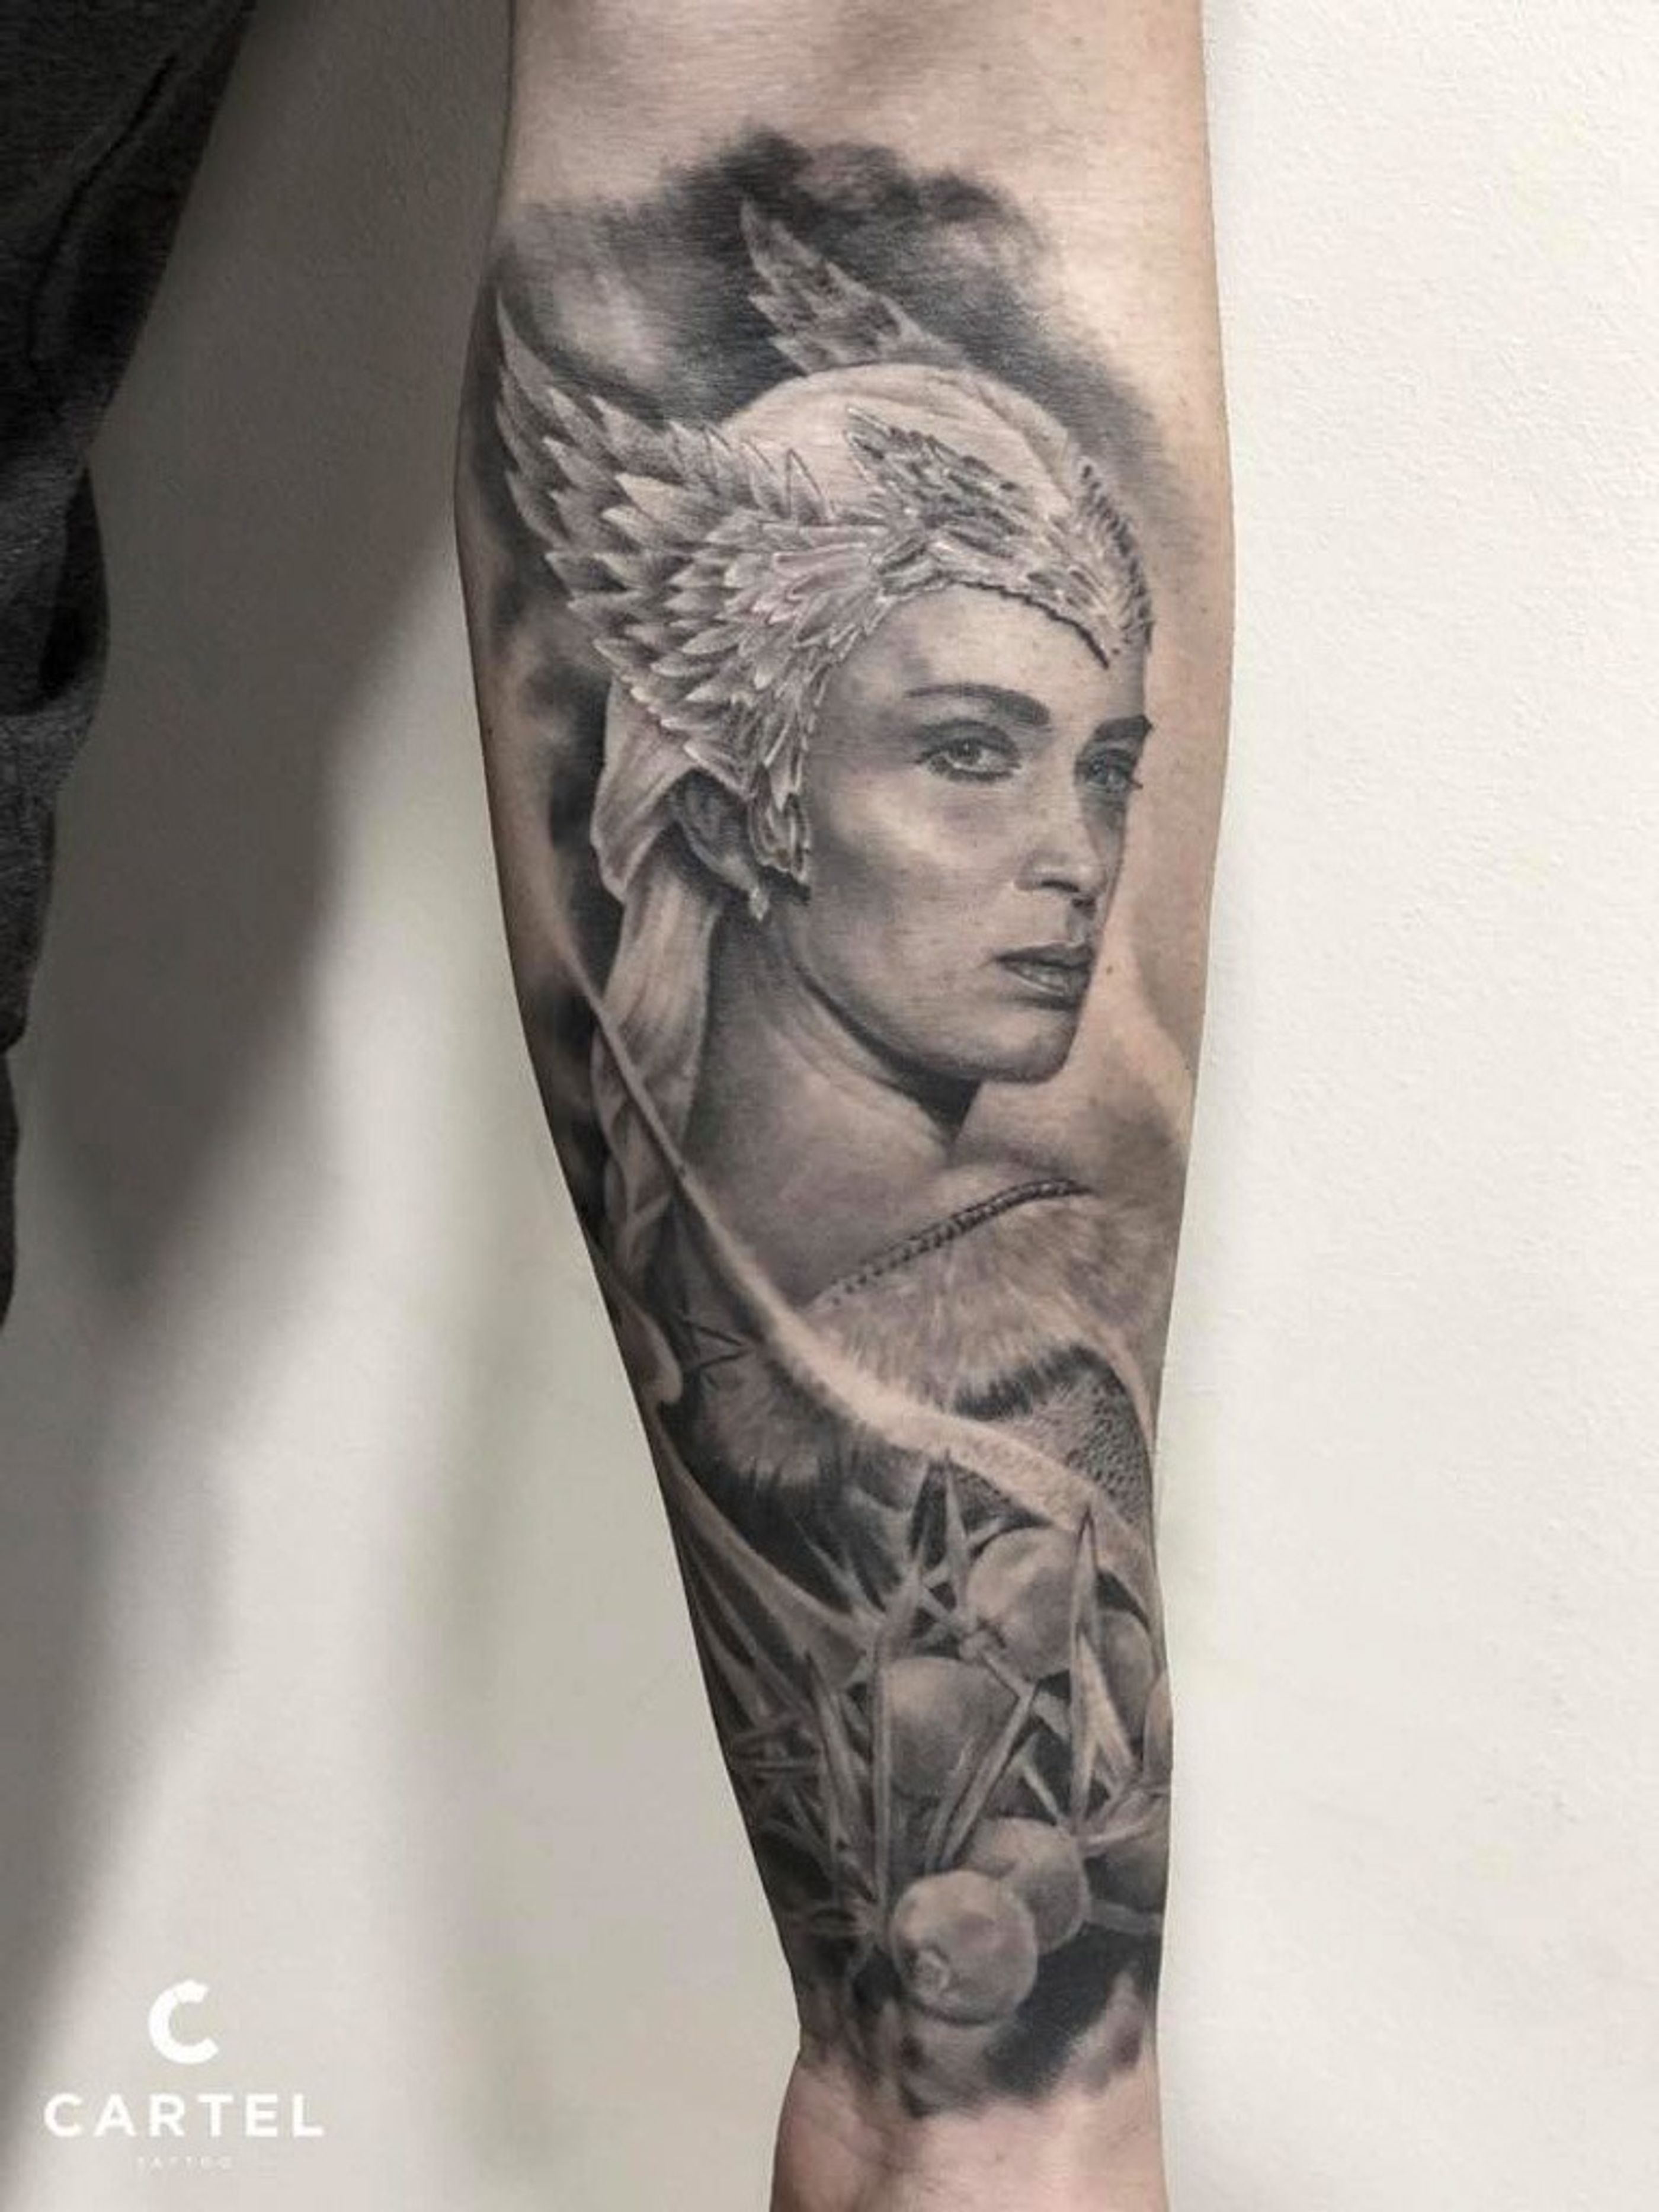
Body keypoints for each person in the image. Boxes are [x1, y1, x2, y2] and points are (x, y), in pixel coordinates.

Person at [6, 3, 1232, 2204]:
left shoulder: (998, 1385)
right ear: (743, 800)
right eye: (972, 748)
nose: (1079, 856)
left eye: (1101, 766)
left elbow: (858, 61)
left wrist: (985, 2104)